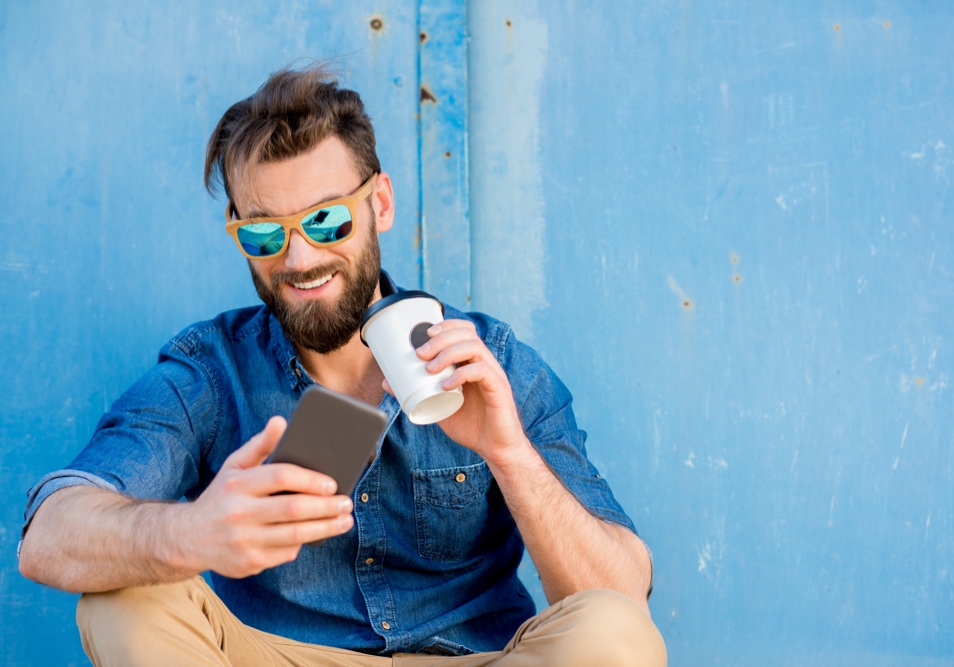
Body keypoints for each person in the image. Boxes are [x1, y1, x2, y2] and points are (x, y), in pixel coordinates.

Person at [18, 64, 667, 666]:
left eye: (326, 220)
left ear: (378, 204)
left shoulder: (491, 359)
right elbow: (49, 536)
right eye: (266, 233)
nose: (299, 259)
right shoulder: (213, 370)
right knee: (121, 600)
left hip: (475, 657)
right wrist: (192, 531)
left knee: (609, 629)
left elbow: (621, 597)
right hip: (282, 656)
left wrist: (510, 453)